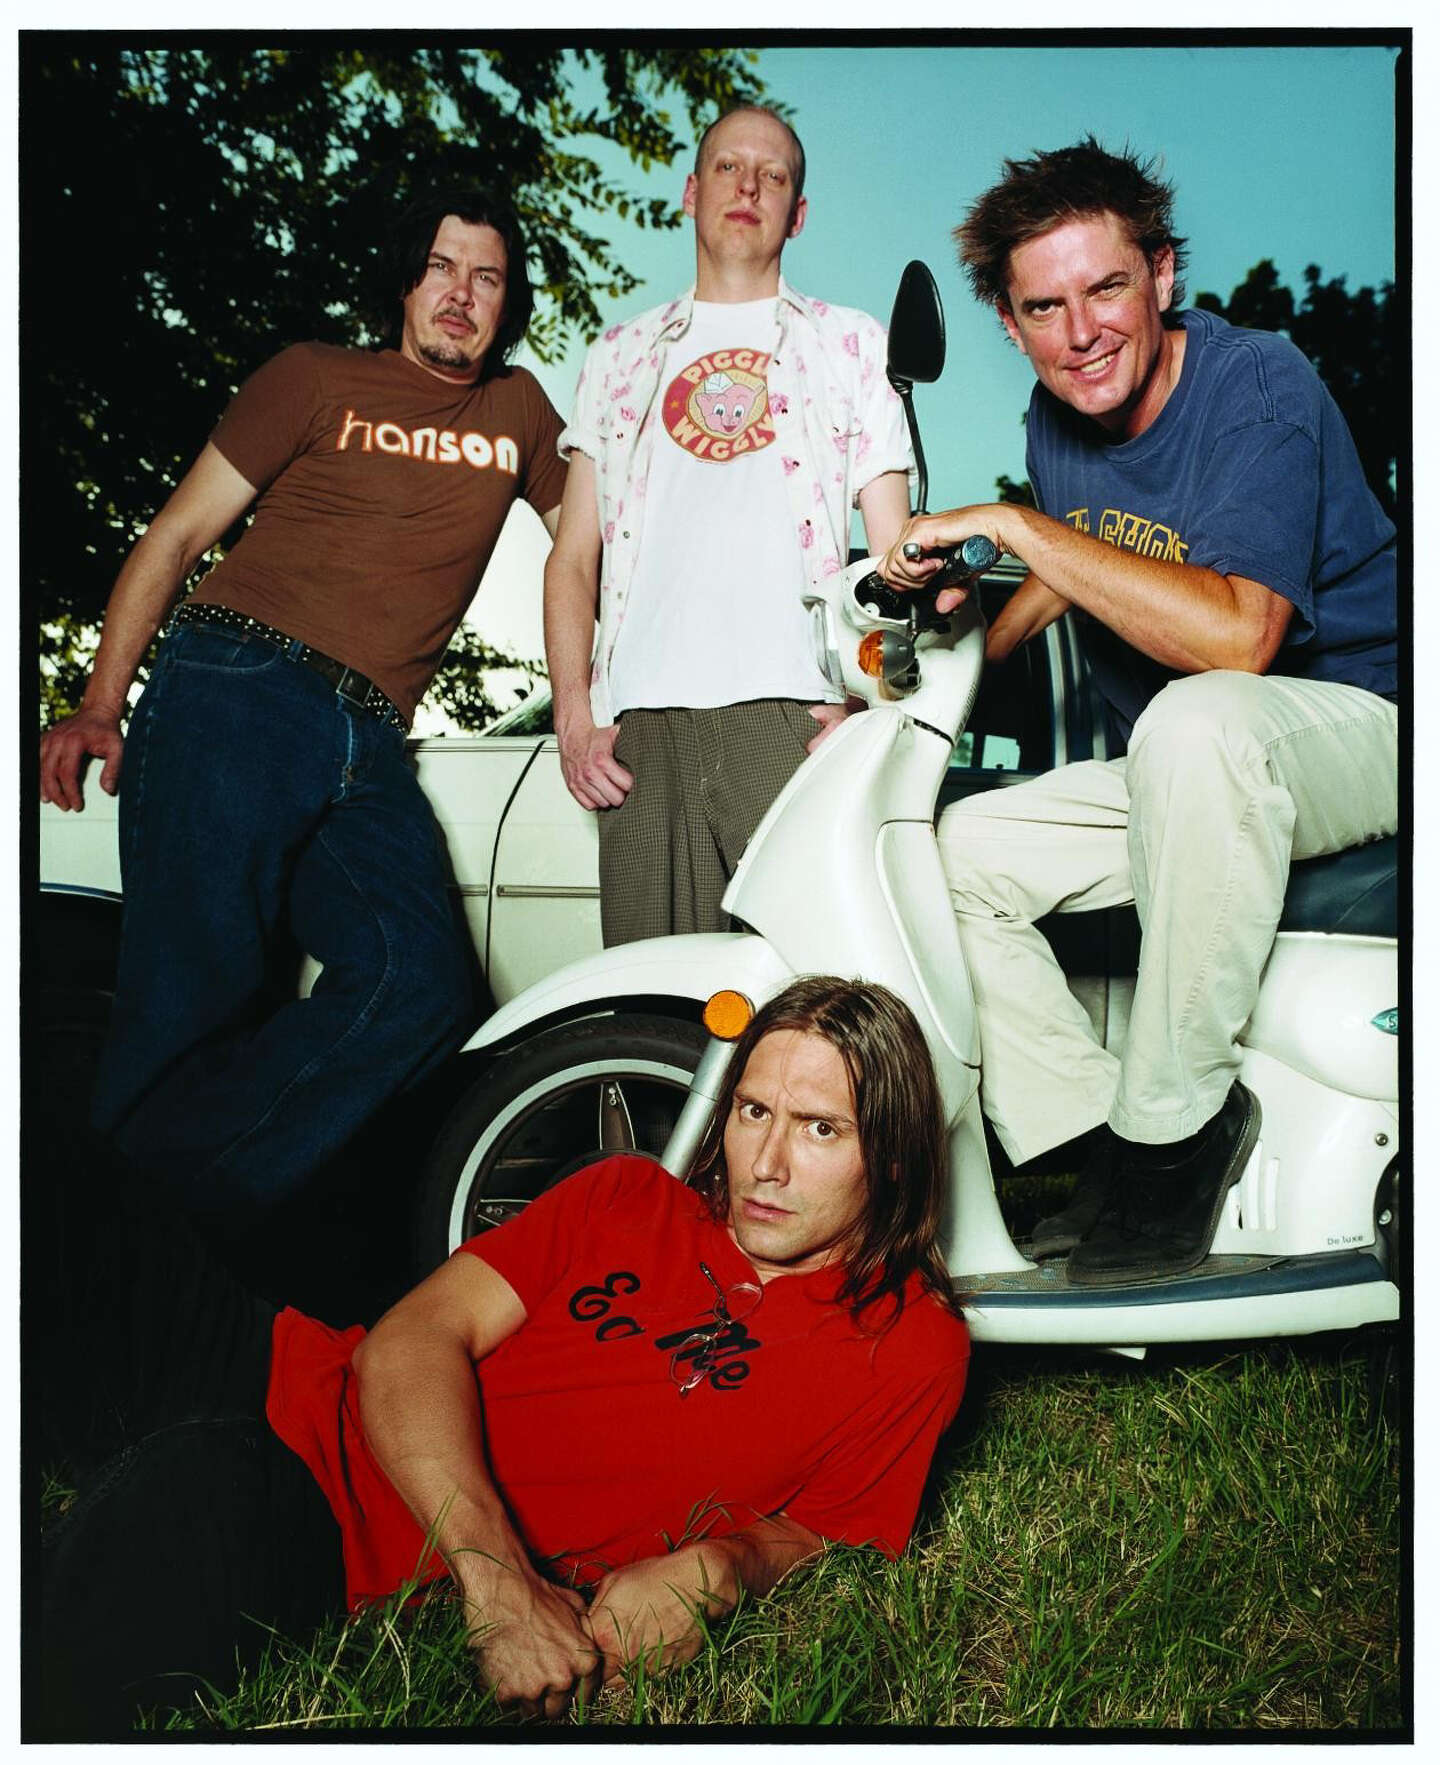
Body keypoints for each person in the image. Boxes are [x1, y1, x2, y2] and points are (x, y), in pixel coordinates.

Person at [35, 976, 970, 1738]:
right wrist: (501, 1584)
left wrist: (728, 1563)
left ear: (891, 1156)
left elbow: (829, 1534)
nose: (765, 1162)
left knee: (107, 1598)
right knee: (49, 1162)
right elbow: (409, 1340)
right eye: (754, 1110)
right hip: (275, 1364)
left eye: (819, 1128)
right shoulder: (625, 1196)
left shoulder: (910, 1345)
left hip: (320, 1522)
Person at [879, 138, 1398, 1287]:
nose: (1081, 332)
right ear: (1010, 324)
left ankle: (1175, 1132)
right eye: (1044, 308)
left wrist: (1015, 528)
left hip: (1368, 725)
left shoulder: (1256, 384)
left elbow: (1239, 640)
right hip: (1198, 761)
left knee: (1198, 718)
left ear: (1162, 274)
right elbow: (1082, 564)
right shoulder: (1054, 420)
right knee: (963, 847)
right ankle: (1095, 1141)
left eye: (1107, 287)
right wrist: (966, 628)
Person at [36, 187, 568, 1229]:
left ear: (508, 305)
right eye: (441, 267)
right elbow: (175, 538)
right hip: (240, 684)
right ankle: (129, 1242)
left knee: (420, 987)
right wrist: (100, 701)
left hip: (372, 736)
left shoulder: (520, 414)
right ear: (405, 282)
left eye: (487, 277)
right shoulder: (314, 377)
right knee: (195, 995)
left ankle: (162, 1211)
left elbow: (598, 547)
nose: (461, 295)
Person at [544, 105, 914, 946]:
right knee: (650, 998)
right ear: (690, 192)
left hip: (792, 717)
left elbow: (894, 555)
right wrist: (573, 716)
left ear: (798, 213)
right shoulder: (620, 355)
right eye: (727, 167)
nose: (748, 186)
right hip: (639, 727)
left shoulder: (850, 346)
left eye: (772, 175)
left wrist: (871, 706)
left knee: (806, 990)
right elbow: (572, 557)